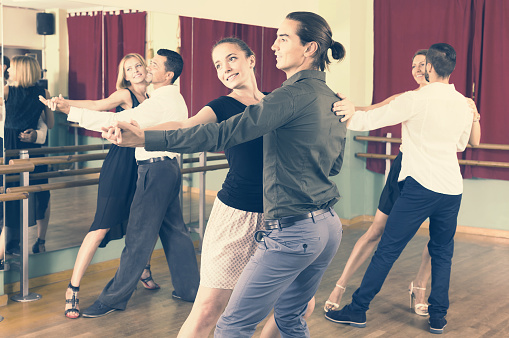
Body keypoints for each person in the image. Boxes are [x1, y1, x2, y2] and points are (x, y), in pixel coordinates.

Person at [104, 11, 350, 337]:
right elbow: (191, 128)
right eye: (218, 65)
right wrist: (144, 133)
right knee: (212, 310)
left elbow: (328, 163)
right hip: (243, 215)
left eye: (231, 59)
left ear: (251, 60)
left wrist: (346, 113)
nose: (225, 69)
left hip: (284, 218)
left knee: (290, 311)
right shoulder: (233, 104)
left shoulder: (283, 100)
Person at [325, 43, 477, 334]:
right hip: (451, 190)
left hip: (421, 187)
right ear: (451, 68)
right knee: (442, 253)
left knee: (388, 250)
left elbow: (367, 119)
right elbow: (460, 145)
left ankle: (357, 310)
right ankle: (437, 318)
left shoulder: (415, 99)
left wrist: (344, 108)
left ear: (430, 68)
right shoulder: (462, 103)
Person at [41, 49, 200, 318]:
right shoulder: (170, 97)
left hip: (155, 170)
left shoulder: (158, 100)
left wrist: (70, 110)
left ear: (168, 74)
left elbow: (114, 119)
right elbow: (103, 107)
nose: (147, 67)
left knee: (138, 236)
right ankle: (190, 289)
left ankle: (113, 299)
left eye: (153, 64)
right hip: (169, 168)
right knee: (176, 231)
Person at [0, 55, 53, 260]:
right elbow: (50, 123)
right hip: (31, 150)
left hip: (14, 147)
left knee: (15, 193)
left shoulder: (7, 91)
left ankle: (11, 246)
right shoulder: (44, 92)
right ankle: (37, 241)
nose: (8, 70)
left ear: (20, 70)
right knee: (39, 192)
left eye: (11, 67)